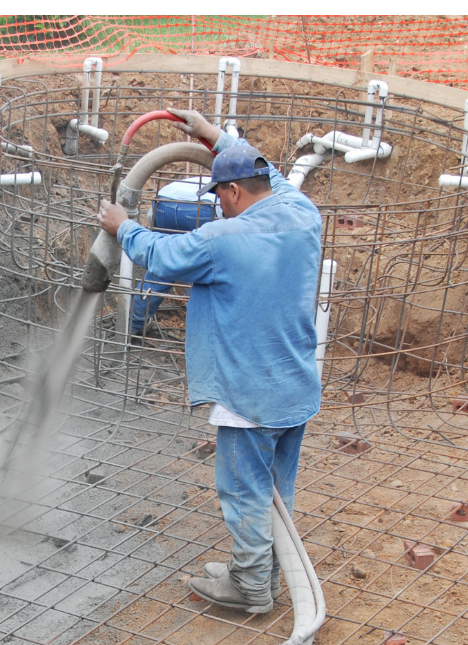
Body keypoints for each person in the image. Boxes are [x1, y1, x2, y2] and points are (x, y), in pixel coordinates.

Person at [96, 107, 322, 614]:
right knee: (276, 492)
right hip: (295, 385)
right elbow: (272, 174)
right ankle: (265, 572)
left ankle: (250, 587)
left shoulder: (224, 241)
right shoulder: (302, 212)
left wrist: (123, 226)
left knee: (243, 492)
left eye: (219, 195)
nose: (218, 204)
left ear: (234, 192)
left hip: (248, 393)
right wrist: (213, 136)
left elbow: (162, 256)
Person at [130, 176, 220, 342]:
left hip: (163, 202)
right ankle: (201, 333)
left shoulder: (221, 178)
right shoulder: (256, 193)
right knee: (203, 268)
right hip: (204, 208)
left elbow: (152, 222)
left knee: (162, 265)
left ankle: (134, 323)